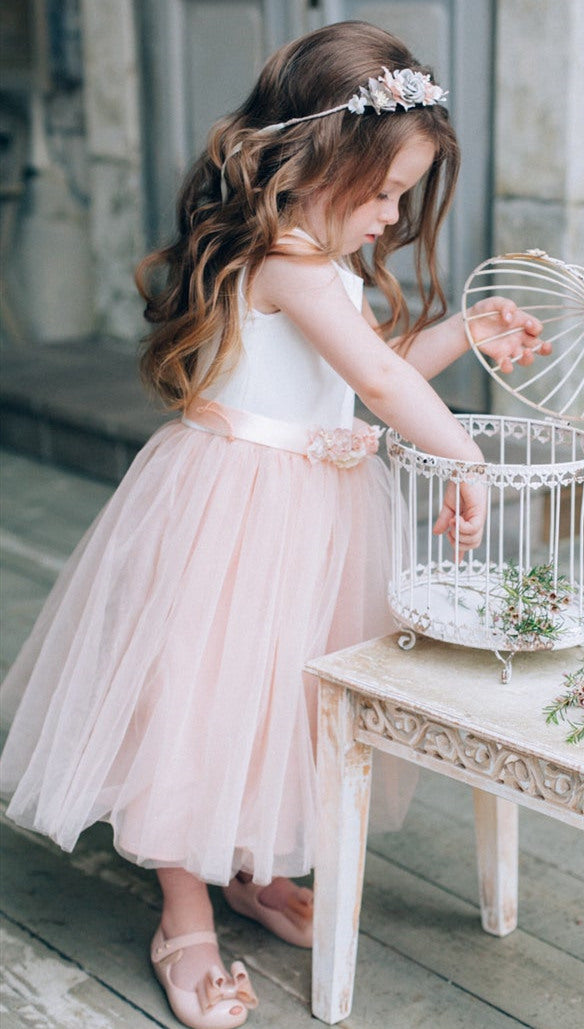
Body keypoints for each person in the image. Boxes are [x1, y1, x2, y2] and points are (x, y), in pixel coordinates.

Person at [0, 21, 549, 1029]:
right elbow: (378, 382)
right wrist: (465, 458)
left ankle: (249, 864)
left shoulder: (313, 259)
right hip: (233, 506)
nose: (390, 218)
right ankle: (182, 917)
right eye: (382, 192)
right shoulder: (284, 257)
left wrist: (460, 330)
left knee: (282, 699)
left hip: (311, 509)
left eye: (401, 199)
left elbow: (355, 377)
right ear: (311, 166)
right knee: (201, 701)